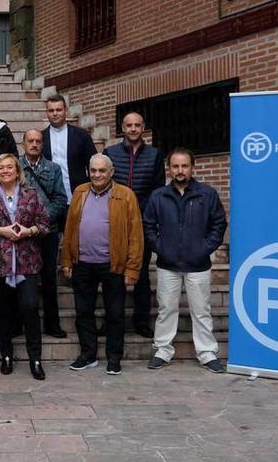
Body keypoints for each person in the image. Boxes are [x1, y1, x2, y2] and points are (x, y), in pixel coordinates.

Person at [144, 148, 227, 373]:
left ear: (192, 168)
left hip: (198, 264)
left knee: (201, 310)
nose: (180, 171)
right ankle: (162, 349)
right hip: (167, 264)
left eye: (184, 166)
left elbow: (219, 224)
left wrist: (205, 248)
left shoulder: (207, 194)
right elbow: (148, 226)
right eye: (175, 166)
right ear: (168, 169)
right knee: (166, 309)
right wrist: (161, 248)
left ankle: (207, 352)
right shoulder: (158, 196)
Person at [61, 154, 143, 376]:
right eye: (93, 170)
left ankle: (114, 358)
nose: (97, 175)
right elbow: (69, 229)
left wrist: (133, 268)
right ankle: (88, 355)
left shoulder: (125, 196)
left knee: (115, 314)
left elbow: (136, 235)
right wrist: (67, 259)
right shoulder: (79, 192)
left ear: (111, 172)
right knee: (83, 312)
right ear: (88, 172)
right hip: (83, 264)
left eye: (102, 170)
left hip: (113, 265)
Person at [0, 154, 50, 380]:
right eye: (1, 168)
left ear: (18, 171)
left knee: (29, 308)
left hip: (27, 262)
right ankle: (6, 355)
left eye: (9, 167)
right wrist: (1, 230)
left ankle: (35, 358)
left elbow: (45, 224)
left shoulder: (31, 195)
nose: (5, 171)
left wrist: (29, 231)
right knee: (2, 312)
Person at [104, 112, 165, 338]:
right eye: (128, 125)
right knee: (113, 275)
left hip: (142, 222)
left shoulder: (155, 155)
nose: (133, 129)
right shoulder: (110, 153)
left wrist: (144, 214)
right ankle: (112, 321)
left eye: (137, 125)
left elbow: (158, 189)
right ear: (122, 128)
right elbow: (104, 185)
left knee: (141, 274)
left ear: (143, 128)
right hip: (114, 223)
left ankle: (141, 321)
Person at [19, 129, 69, 338]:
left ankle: (52, 323)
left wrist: (41, 217)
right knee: (20, 279)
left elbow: (60, 199)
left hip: (48, 231)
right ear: (23, 143)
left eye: (38, 141)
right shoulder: (15, 166)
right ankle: (19, 324)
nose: (34, 144)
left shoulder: (53, 168)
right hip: (22, 233)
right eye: (30, 140)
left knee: (49, 278)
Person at [40, 94, 97, 199]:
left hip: (78, 196)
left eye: (58, 110)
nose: (55, 114)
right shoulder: (40, 138)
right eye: (51, 111)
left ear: (65, 111)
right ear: (46, 113)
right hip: (50, 200)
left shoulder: (81, 135)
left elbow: (94, 163)